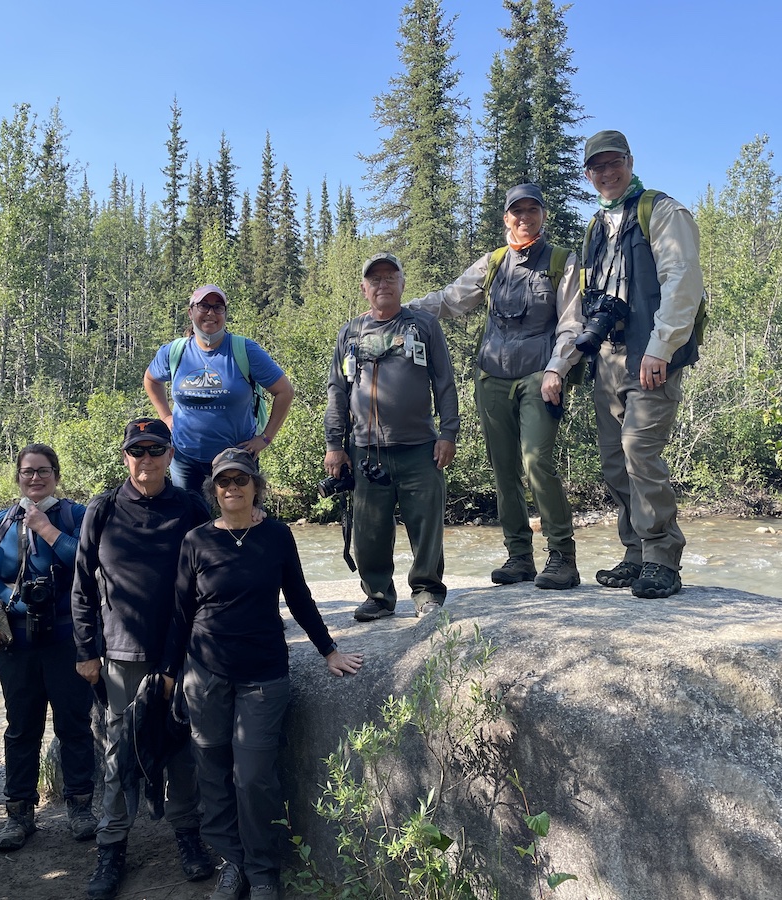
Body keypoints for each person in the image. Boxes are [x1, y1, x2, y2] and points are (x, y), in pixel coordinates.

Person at [161, 448, 363, 900]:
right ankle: (233, 863)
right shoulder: (196, 541)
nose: (231, 487)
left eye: (240, 479)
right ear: (213, 490)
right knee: (212, 770)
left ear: (255, 485)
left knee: (254, 775)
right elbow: (180, 613)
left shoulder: (276, 535)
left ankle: (264, 870)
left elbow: (298, 595)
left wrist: (328, 649)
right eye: (223, 481)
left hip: (263, 675)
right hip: (205, 675)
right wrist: (170, 673)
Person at [408, 183, 584, 590]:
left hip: (540, 374)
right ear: (506, 218)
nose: (525, 218)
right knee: (503, 468)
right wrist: (403, 308)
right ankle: (519, 556)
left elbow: (572, 322)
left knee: (536, 460)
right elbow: (451, 300)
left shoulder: (562, 261)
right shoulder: (493, 263)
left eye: (532, 210)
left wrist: (558, 368)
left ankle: (562, 556)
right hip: (491, 377)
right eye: (516, 212)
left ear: (543, 214)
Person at [71, 418, 214, 900]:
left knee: (181, 751)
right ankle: (112, 847)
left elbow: (216, 567)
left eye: (155, 450)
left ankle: (188, 836)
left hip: (184, 653)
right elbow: (83, 588)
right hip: (120, 654)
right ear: (126, 457)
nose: (146, 460)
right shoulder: (103, 509)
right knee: (119, 752)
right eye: (137, 451)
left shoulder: (192, 506)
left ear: (170, 456)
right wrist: (86, 651)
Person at [580, 130, 705, 598]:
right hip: (608, 357)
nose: (607, 173)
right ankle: (635, 552)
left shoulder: (662, 211)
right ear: (588, 174)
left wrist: (661, 348)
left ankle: (662, 557)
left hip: (649, 353)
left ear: (630, 162)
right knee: (614, 460)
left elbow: (682, 282)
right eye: (597, 167)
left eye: (615, 163)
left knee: (640, 453)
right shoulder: (597, 226)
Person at [0, 445, 96, 852]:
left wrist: (45, 528)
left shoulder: (75, 516)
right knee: (21, 728)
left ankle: (80, 807)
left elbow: (90, 565)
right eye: (27, 472)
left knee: (75, 725)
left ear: (56, 475)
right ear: (18, 477)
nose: (35, 479)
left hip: (66, 640)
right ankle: (19, 813)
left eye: (43, 471)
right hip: (14, 643)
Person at [324, 252, 460, 621]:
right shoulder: (350, 332)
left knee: (426, 525)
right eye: (375, 279)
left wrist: (448, 433)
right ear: (364, 288)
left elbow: (445, 383)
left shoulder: (425, 325)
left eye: (390, 277)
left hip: (421, 448)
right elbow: (337, 390)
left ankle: (428, 593)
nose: (382, 285)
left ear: (402, 283)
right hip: (366, 449)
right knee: (369, 530)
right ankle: (379, 596)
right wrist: (334, 445)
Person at [143, 284, 295, 496]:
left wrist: (266, 438)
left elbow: (285, 392)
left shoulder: (245, 350)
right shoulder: (175, 352)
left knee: (244, 524)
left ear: (225, 313)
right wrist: (166, 417)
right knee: (190, 525)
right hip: (186, 461)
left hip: (237, 461)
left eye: (218, 307)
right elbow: (151, 380)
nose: (210, 313)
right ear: (191, 312)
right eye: (203, 306)